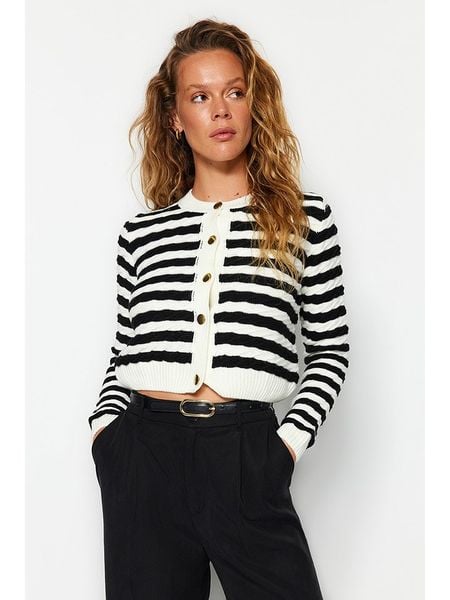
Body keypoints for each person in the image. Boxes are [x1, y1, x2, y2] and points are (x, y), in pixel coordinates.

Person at [88, 18, 350, 600]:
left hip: (245, 454)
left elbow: (330, 349)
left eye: (234, 92)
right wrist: (106, 434)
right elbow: (125, 348)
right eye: (200, 97)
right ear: (176, 118)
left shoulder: (306, 220)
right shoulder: (142, 234)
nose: (221, 110)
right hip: (143, 456)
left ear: (254, 104)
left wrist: (285, 447)